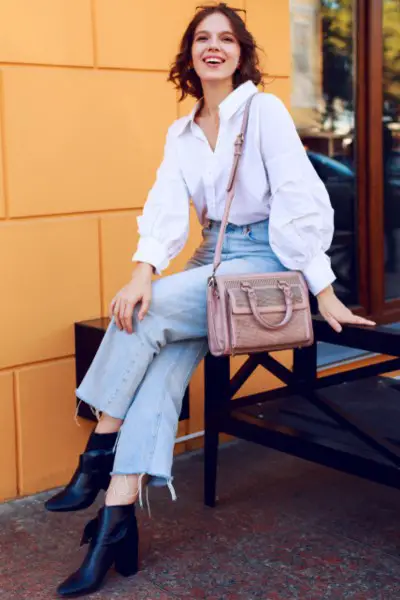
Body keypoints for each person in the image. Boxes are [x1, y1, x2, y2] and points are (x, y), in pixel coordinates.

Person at [46, 3, 375, 597]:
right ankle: (115, 524)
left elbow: (299, 197)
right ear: (191, 54)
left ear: (241, 54)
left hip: (266, 259)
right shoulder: (182, 131)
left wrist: (323, 288)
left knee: (137, 317)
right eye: (203, 38)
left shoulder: (264, 111)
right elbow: (168, 208)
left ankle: (95, 454)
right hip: (211, 262)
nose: (214, 46)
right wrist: (144, 269)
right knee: (158, 376)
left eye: (227, 38)